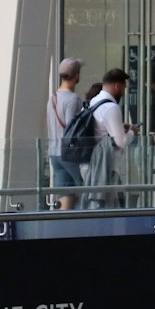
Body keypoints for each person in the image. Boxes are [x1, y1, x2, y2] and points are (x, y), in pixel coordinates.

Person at [85, 68, 135, 208]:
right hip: (104, 165)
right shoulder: (111, 107)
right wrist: (132, 132)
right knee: (107, 206)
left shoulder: (93, 101)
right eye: (124, 88)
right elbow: (122, 142)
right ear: (117, 86)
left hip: (91, 162)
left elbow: (101, 129)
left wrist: (120, 128)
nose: (124, 92)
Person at [46, 57, 85, 210]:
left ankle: (64, 227)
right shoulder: (73, 99)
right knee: (89, 189)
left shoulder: (52, 99)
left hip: (54, 154)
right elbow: (72, 130)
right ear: (76, 75)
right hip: (69, 154)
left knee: (66, 195)